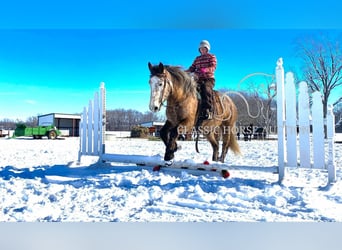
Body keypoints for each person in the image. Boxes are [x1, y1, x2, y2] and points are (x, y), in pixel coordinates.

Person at [186, 40, 217, 120]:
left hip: (208, 79)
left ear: (207, 49)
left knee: (205, 88)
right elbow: (192, 67)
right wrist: (186, 71)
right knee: (188, 88)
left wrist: (205, 70)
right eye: (201, 49)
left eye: (204, 48)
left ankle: (208, 110)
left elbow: (213, 67)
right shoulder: (197, 58)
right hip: (198, 79)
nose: (202, 50)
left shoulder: (211, 56)